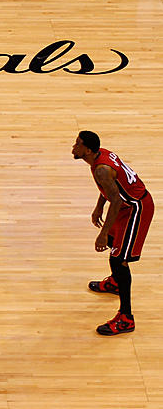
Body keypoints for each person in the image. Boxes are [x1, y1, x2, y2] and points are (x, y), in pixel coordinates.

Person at [73, 131, 154, 335]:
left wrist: (103, 232)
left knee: (118, 259)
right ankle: (116, 282)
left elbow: (116, 200)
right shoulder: (100, 158)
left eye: (78, 144)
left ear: (88, 150)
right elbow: (110, 191)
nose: (74, 147)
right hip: (125, 205)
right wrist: (99, 206)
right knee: (113, 244)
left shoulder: (101, 169)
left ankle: (126, 318)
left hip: (136, 208)